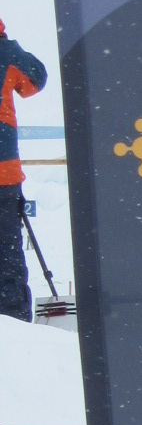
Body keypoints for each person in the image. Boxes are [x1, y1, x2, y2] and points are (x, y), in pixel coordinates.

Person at [0, 19, 48, 323]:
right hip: (3, 175)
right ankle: (13, 326)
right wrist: (8, 46)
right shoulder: (5, 54)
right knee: (6, 259)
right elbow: (36, 79)